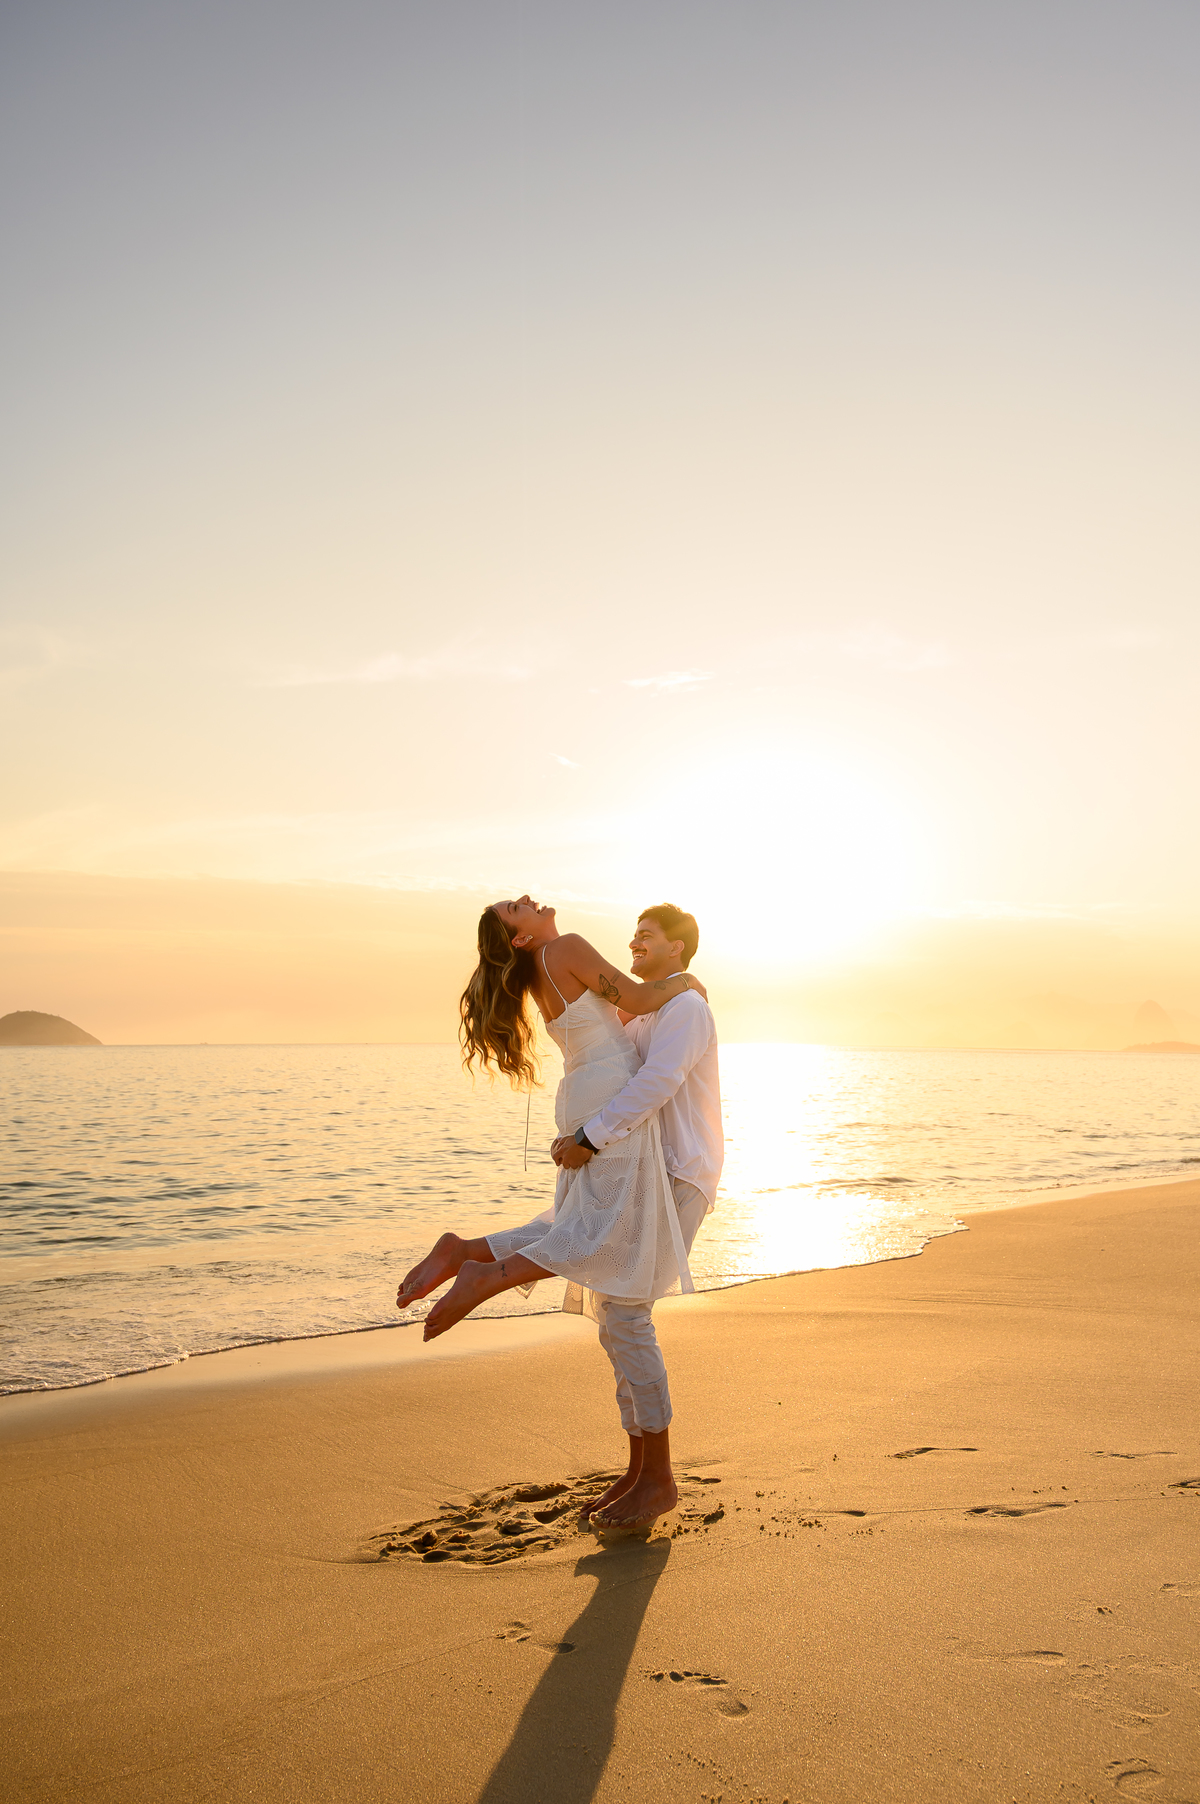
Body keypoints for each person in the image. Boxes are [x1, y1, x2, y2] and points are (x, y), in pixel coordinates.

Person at [394, 895, 707, 1528]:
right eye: (516, 908)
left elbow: (636, 1028)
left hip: (603, 1110)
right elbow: (643, 1022)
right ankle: (492, 1273)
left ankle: (471, 1252)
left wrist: (591, 1129)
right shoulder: (568, 951)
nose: (528, 900)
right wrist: (687, 979)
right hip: (610, 1116)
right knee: (603, 1267)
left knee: (591, 1262)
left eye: (648, 935)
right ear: (518, 939)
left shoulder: (551, 969)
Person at [549, 903, 721, 1528]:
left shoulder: (687, 1011)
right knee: (612, 1313)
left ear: (677, 948)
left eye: (647, 936)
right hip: (645, 1170)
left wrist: (590, 1138)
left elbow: (657, 1083)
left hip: (680, 1171)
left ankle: (661, 1478)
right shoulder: (655, 1006)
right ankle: (638, 1467)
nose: (633, 942)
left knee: (627, 1311)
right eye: (634, 934)